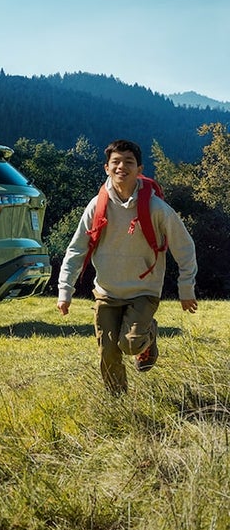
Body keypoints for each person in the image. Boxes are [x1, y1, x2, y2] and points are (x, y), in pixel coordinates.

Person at [56, 139, 198, 394]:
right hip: (106, 292)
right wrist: (65, 291)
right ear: (106, 168)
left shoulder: (156, 208)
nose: (122, 166)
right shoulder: (96, 206)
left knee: (130, 344)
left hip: (144, 290)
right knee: (108, 352)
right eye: (116, 162)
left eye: (128, 162)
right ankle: (118, 402)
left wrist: (186, 288)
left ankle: (148, 336)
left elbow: (184, 247)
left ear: (139, 169)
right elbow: (77, 248)